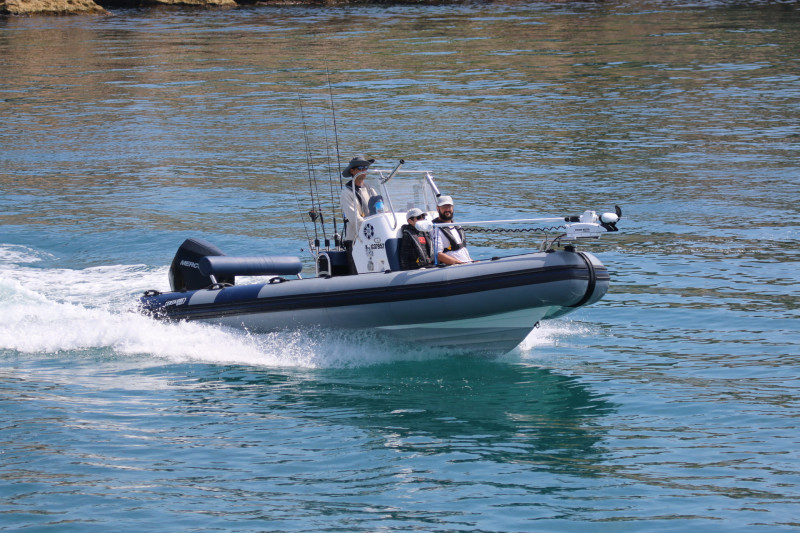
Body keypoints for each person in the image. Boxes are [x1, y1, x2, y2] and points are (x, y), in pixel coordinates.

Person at [339, 155, 377, 274]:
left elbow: (381, 210)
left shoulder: (371, 190)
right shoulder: (346, 193)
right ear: (352, 171)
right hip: (356, 241)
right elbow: (354, 219)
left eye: (365, 168)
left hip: (374, 238)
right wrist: (375, 228)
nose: (364, 171)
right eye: (360, 168)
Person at [432, 195, 473, 265]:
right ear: (438, 209)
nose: (447, 209)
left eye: (449, 206)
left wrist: (472, 261)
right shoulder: (436, 229)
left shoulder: (457, 226)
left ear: (453, 208)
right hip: (454, 267)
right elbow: (438, 255)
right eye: (444, 207)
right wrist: (460, 264)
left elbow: (461, 251)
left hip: (466, 263)